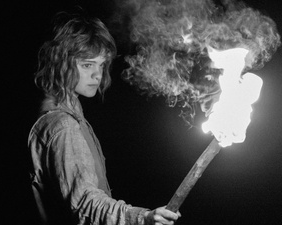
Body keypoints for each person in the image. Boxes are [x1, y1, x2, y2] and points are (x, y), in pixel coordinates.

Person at [28, 11, 181, 225]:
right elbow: (84, 204)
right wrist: (142, 218)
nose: (98, 75)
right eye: (87, 64)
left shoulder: (66, 117)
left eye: (101, 65)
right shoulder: (63, 126)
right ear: (60, 62)